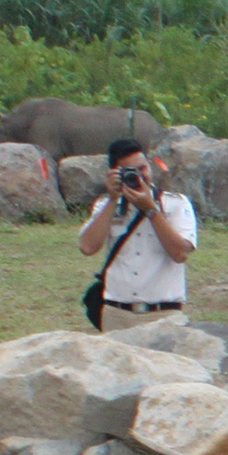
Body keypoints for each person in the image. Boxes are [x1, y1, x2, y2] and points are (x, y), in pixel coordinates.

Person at [74, 137, 195, 331]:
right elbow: (87, 247)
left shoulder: (175, 204)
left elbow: (180, 253)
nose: (139, 176)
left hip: (163, 314)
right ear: (114, 174)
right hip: (117, 313)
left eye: (143, 169)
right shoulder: (106, 205)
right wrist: (113, 200)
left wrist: (151, 210)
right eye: (130, 172)